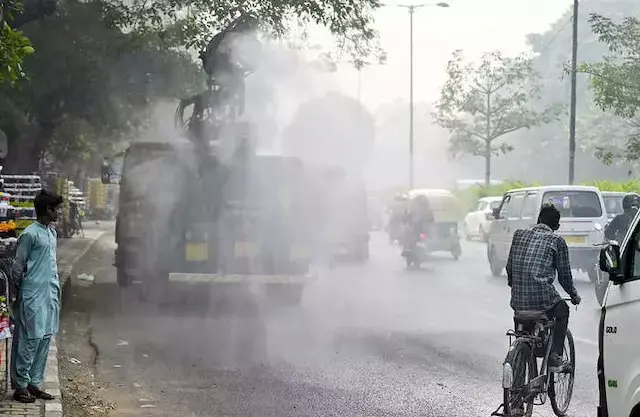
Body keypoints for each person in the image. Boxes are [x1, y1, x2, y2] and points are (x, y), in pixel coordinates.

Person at [506, 203, 581, 373]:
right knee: (563, 309)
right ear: (557, 226)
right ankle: (555, 357)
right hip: (542, 300)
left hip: (518, 302)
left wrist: (515, 284)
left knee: (523, 333)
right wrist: (574, 295)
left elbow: (509, 268)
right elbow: (565, 277)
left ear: (538, 219)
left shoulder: (518, 235)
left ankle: (518, 382)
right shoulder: (557, 241)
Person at [10, 190, 63, 403]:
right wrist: (21, 292)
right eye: (56, 208)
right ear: (47, 210)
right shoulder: (30, 234)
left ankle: (35, 382)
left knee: (45, 338)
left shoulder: (52, 233)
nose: (58, 212)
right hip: (32, 295)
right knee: (29, 339)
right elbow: (17, 267)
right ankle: (21, 385)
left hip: (50, 294)